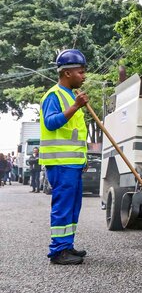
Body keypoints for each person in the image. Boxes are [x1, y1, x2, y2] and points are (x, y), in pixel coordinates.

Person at [40, 49, 90, 265]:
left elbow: (75, 133)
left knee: (72, 207)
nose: (84, 76)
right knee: (63, 207)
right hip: (60, 163)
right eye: (80, 72)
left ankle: (67, 245)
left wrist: (83, 159)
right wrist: (75, 106)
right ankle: (58, 251)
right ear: (67, 73)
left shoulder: (71, 95)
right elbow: (51, 123)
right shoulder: (54, 95)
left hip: (73, 163)